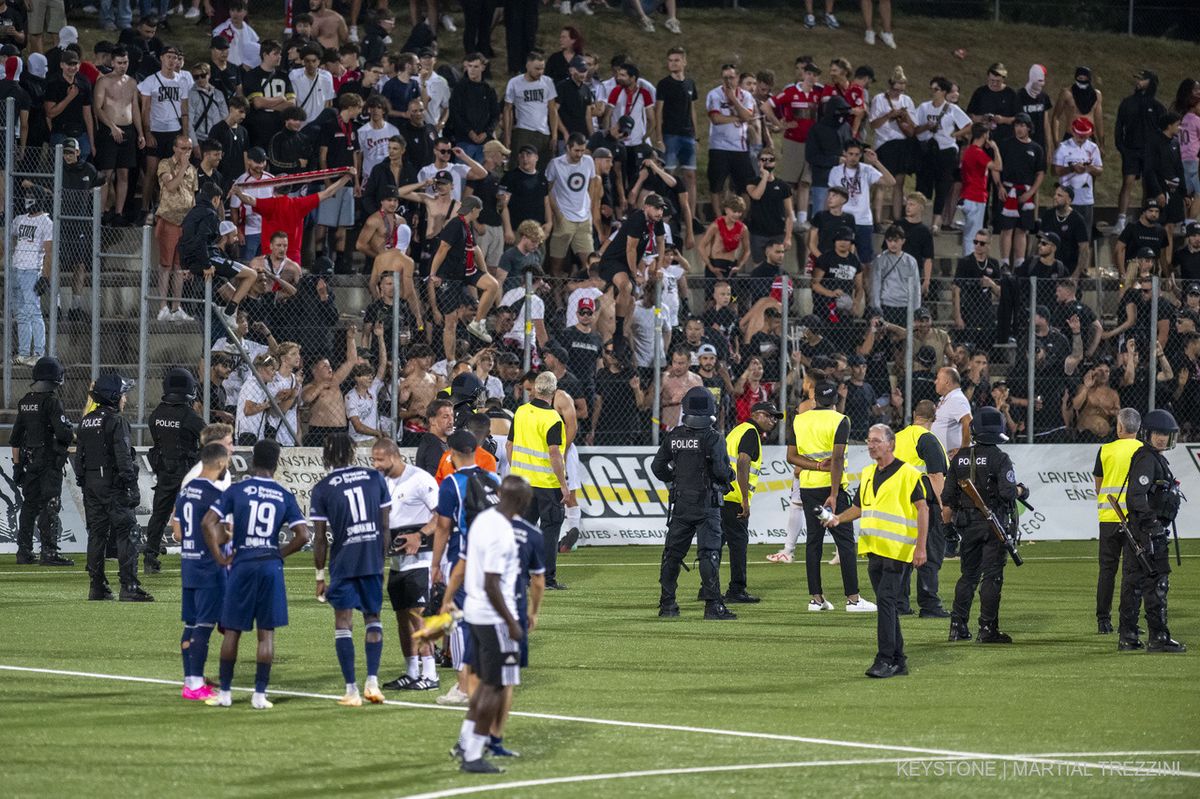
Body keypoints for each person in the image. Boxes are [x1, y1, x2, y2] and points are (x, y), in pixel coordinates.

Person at [202, 440, 310, 710]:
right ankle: (259, 695)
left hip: (242, 564)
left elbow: (207, 522)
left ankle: (225, 693)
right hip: (269, 566)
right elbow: (303, 535)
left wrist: (219, 556)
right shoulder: (284, 495)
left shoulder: (238, 490)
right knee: (266, 634)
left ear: (252, 461)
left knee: (232, 632)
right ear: (276, 464)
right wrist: (278, 553)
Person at [825, 424, 928, 678]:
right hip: (874, 549)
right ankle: (899, 660)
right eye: (869, 440)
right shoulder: (869, 473)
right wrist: (838, 519)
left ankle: (884, 659)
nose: (871, 445)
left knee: (885, 602)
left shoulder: (908, 473)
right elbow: (860, 507)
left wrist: (921, 547)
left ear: (890, 444)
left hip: (897, 551)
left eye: (876, 441)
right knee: (888, 605)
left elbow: (923, 510)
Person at [452, 475, 532, 774]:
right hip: (495, 617)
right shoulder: (502, 532)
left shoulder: (484, 519)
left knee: (486, 683)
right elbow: (491, 583)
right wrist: (512, 622)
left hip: (474, 611)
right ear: (523, 502)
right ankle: (473, 754)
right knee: (495, 687)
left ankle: (465, 741)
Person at [310, 432, 392, 706]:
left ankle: (351, 691)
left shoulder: (323, 487)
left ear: (328, 455)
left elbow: (320, 538)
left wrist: (320, 576)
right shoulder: (374, 478)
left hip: (344, 562)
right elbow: (385, 528)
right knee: (373, 619)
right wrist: (380, 561)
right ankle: (373, 682)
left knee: (343, 623)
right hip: (371, 561)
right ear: (353, 451)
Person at [941, 406, 1028, 644]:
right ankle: (987, 628)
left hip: (967, 525)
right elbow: (1008, 493)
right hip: (994, 524)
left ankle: (957, 627)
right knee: (991, 577)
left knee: (968, 576)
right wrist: (1022, 490)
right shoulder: (1000, 458)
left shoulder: (959, 457)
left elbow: (947, 497)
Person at [790, 380, 876, 613]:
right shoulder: (841, 420)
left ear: (814, 399)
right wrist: (835, 494)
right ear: (836, 400)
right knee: (845, 543)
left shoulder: (799, 420)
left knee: (813, 543)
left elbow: (791, 457)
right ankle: (853, 599)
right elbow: (837, 459)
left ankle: (816, 600)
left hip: (808, 488)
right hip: (832, 490)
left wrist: (816, 467)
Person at [652, 387, 737, 621]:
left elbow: (657, 468)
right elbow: (721, 471)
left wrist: (675, 479)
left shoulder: (675, 436)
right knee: (709, 553)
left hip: (681, 504)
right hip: (707, 503)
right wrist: (730, 475)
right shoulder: (713, 437)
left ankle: (667, 605)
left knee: (672, 554)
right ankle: (712, 606)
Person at [430, 428, 501, 706]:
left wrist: (435, 565)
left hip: (464, 558)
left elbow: (443, 528)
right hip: (493, 559)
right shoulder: (493, 478)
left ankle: (463, 687)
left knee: (459, 622)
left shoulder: (451, 483)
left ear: (451, 453)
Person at [372, 438, 441, 691]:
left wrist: (419, 535)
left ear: (394, 456)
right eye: (373, 459)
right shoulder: (381, 483)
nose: (375, 464)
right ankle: (412, 672)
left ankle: (430, 674)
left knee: (418, 616)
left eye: (379, 459)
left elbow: (441, 515)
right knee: (402, 617)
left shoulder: (420, 479)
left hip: (422, 559)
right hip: (398, 562)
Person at [76, 373, 152, 602]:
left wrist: (85, 484)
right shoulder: (116, 421)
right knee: (128, 532)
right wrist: (131, 486)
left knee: (97, 535)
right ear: (113, 396)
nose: (125, 399)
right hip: (114, 486)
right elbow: (124, 458)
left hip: (92, 486)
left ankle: (97, 586)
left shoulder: (85, 421)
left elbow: (79, 459)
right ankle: (129, 586)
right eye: (123, 394)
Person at [1117, 409, 1185, 653]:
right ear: (1147, 433)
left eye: (1165, 435)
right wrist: (1152, 525)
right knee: (1156, 583)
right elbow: (1136, 496)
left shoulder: (1151, 457)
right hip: (1147, 532)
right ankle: (1158, 636)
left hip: (1139, 531)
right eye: (1157, 433)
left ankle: (1128, 636)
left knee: (1133, 583)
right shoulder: (1147, 459)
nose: (1161, 438)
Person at [171, 443, 230, 702]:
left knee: (191, 624)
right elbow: (219, 532)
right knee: (204, 627)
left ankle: (189, 680)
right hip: (208, 567)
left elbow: (180, 530)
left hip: (189, 564)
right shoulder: (213, 494)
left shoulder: (186, 492)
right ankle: (195, 684)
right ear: (219, 464)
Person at [9, 356, 74, 566]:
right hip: (49, 462)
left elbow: (16, 438)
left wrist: (17, 466)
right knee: (50, 505)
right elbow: (63, 434)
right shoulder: (52, 401)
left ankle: (24, 552)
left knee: (29, 506)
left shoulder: (25, 401)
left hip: (30, 461)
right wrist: (70, 431)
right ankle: (49, 552)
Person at [508, 371, 569, 589]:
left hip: (523, 484)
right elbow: (555, 454)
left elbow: (509, 445)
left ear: (535, 389)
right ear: (554, 391)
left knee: (523, 529)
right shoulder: (553, 418)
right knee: (550, 531)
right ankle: (546, 579)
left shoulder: (521, 411)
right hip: (547, 484)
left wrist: (516, 469)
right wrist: (563, 484)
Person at [144, 368, 205, 575]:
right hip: (186, 472)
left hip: (164, 471)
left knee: (159, 514)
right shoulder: (189, 416)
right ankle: (196, 555)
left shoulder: (157, 413)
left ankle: (150, 557)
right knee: (193, 513)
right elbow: (209, 438)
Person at [720, 402, 782, 605]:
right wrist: (745, 500)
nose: (773, 420)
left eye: (775, 417)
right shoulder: (751, 433)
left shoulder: (737, 430)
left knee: (715, 545)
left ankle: (708, 588)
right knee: (738, 545)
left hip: (721, 496)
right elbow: (743, 461)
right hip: (735, 498)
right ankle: (736, 590)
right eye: (770, 415)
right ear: (756, 414)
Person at [893, 400, 950, 618]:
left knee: (905, 554)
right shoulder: (927, 438)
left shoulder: (898, 437)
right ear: (933, 418)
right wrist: (945, 507)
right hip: (925, 504)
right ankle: (930, 605)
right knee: (930, 553)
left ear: (914, 415)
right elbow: (936, 476)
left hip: (900, 503)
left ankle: (900, 603)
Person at [1093, 407, 1143, 636]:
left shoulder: (1105, 450)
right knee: (1132, 571)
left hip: (1109, 518)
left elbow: (1099, 486)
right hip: (1135, 519)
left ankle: (1103, 620)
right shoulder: (1144, 451)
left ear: (1119, 427)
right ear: (1138, 428)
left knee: (1107, 570)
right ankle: (1129, 619)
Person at [932, 367, 972, 461]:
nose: (935, 382)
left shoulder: (956, 399)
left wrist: (963, 450)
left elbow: (968, 422)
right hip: (943, 459)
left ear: (947, 382)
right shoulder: (947, 398)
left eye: (938, 379)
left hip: (952, 460)